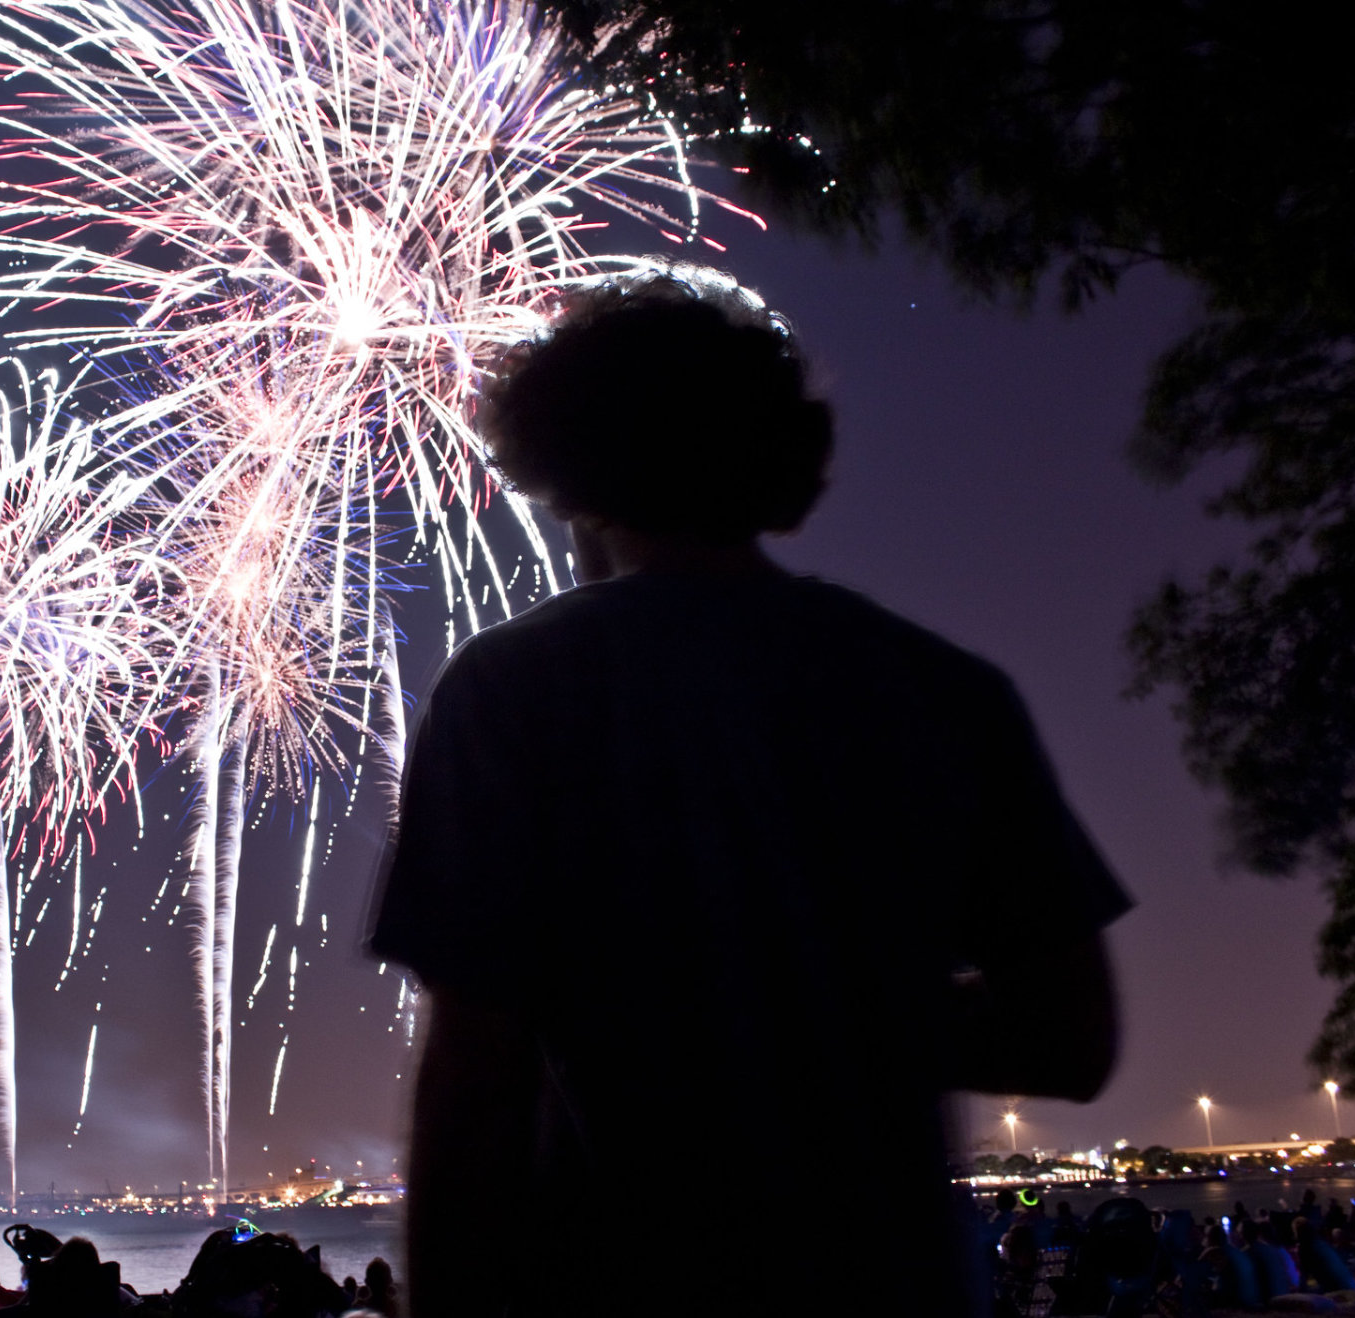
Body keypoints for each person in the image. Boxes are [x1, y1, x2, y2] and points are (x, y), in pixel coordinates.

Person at [367, 264, 1127, 1318]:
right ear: (786, 459)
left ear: (560, 468)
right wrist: (842, 1010)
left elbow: (474, 1079)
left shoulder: (511, 690)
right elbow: (1073, 1039)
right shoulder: (946, 692)